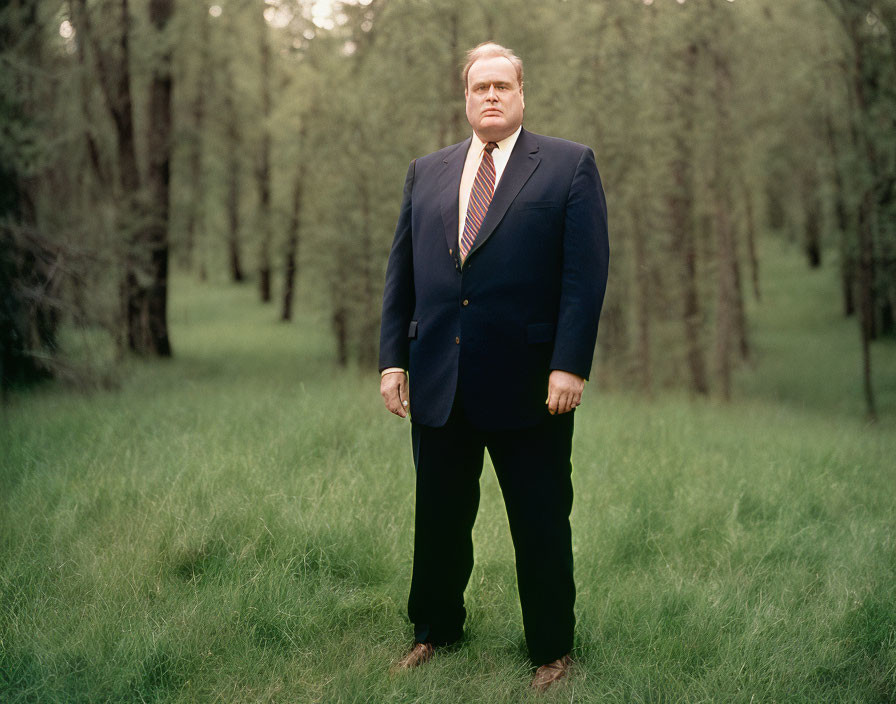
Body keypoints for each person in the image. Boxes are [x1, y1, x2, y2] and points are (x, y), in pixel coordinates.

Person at [378, 41, 609, 692]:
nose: (490, 95)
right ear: (465, 96)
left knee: (539, 520)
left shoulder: (568, 166)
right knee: (439, 518)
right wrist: (392, 359)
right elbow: (403, 275)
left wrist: (569, 364)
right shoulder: (426, 172)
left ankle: (552, 650)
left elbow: (584, 278)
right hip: (438, 379)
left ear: (521, 93)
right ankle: (434, 630)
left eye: (502, 85)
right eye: (480, 86)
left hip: (532, 385)